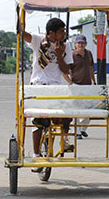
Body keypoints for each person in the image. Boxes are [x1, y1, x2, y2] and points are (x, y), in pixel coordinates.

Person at [22, 18, 74, 161]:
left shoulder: (65, 46)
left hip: (55, 86)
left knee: (65, 116)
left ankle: (65, 141)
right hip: (38, 85)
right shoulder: (38, 40)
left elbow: (66, 69)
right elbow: (23, 34)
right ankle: (36, 154)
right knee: (38, 120)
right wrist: (21, 20)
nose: (64, 34)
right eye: (61, 32)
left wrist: (58, 54)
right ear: (52, 33)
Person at [69, 34, 96, 139]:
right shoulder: (72, 55)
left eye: (82, 43)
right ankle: (78, 131)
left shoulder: (89, 53)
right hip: (76, 85)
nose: (81, 45)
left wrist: (94, 81)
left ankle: (83, 129)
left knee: (88, 109)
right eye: (79, 43)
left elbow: (91, 68)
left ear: (86, 44)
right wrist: (71, 83)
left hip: (88, 85)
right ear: (75, 44)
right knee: (77, 109)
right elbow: (68, 70)